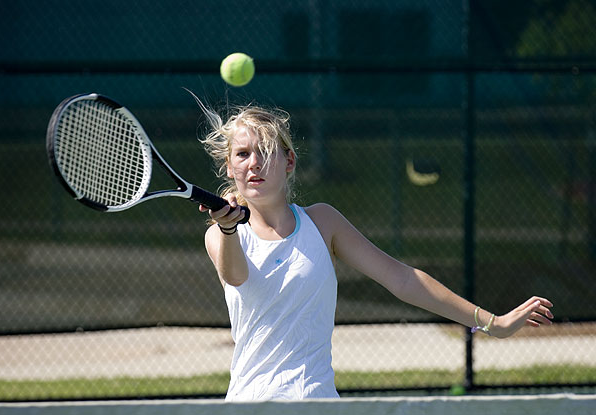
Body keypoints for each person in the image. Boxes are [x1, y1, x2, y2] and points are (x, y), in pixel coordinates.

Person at [195, 100, 554, 401]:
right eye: (242, 154)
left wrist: (493, 324)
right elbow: (236, 275)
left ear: (289, 162)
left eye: (266, 151)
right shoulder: (221, 236)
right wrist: (228, 227)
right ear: (229, 167)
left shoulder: (323, 223)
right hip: (247, 403)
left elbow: (403, 280)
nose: (254, 163)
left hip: (315, 401)